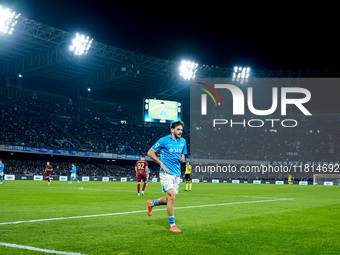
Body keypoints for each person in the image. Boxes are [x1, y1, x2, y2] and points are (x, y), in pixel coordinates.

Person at [147, 121, 187, 233]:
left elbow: (183, 154)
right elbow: (150, 152)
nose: (180, 132)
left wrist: (182, 158)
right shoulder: (164, 140)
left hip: (177, 174)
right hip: (166, 173)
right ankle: (172, 225)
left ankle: (151, 203)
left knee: (170, 199)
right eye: (178, 129)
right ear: (172, 129)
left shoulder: (183, 141)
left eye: (181, 130)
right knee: (172, 197)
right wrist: (160, 163)